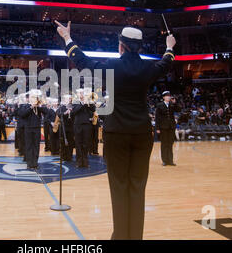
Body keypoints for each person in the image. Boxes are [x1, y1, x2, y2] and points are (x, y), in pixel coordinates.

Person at [55, 20, 176, 240]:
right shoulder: (149, 68)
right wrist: (169, 46)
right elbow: (166, 62)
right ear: (139, 47)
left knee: (119, 187)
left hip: (116, 133)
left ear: (121, 45)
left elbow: (84, 63)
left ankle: (120, 236)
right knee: (137, 187)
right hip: (141, 134)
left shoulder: (112, 67)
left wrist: (67, 38)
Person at [19, 90, 48, 169]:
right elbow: (22, 114)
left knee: (36, 146)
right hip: (28, 128)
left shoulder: (39, 106)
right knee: (28, 146)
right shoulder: (25, 106)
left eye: (35, 97)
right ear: (29, 98)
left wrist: (40, 105)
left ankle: (35, 163)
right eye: (32, 97)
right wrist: (31, 107)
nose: (34, 99)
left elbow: (47, 112)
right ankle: (29, 163)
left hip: (37, 128)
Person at [155, 92, 181, 166]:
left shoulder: (172, 105)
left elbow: (179, 110)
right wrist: (157, 128)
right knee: (164, 144)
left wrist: (175, 103)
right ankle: (164, 161)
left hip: (171, 127)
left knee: (170, 144)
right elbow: (157, 117)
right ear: (163, 97)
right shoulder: (159, 105)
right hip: (163, 127)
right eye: (167, 96)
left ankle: (170, 161)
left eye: (169, 96)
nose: (168, 97)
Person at [71, 89, 96, 168]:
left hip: (87, 125)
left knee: (86, 143)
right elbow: (74, 112)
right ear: (78, 94)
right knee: (78, 143)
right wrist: (83, 104)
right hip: (77, 125)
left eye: (83, 93)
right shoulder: (75, 102)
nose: (82, 95)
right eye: (81, 93)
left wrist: (89, 103)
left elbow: (93, 109)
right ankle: (78, 161)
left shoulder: (89, 102)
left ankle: (85, 161)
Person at [56, 94, 74, 161]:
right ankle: (63, 156)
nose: (69, 100)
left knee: (71, 142)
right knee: (63, 142)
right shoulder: (62, 107)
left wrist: (72, 112)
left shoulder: (73, 106)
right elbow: (58, 114)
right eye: (67, 98)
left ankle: (70, 156)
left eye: (69, 99)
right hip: (64, 127)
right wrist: (65, 113)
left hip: (71, 127)